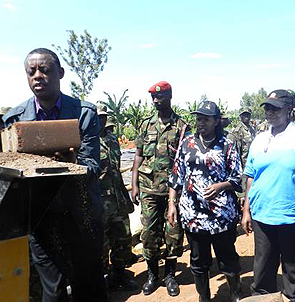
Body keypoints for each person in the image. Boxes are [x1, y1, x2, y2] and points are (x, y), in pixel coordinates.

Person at [2, 48, 107, 302]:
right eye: (31, 72)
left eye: (45, 70)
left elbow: (93, 167)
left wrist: (73, 165)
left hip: (82, 217)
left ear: (60, 73)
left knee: (89, 288)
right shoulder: (14, 121)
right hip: (42, 219)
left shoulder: (83, 114)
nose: (38, 76)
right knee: (53, 292)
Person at [241, 89, 295, 302]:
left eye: (275, 108)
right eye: (267, 108)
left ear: (289, 110)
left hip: (294, 216)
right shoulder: (260, 139)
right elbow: (251, 176)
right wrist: (246, 210)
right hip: (263, 216)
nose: (270, 112)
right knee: (262, 273)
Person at [168, 101, 243, 302]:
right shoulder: (187, 144)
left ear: (217, 121)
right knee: (198, 260)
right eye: (198, 118)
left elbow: (237, 177)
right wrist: (171, 204)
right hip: (193, 215)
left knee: (227, 258)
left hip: (221, 215)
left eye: (206, 119)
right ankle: (204, 296)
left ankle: (235, 293)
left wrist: (220, 186)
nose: (201, 123)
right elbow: (176, 175)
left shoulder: (226, 145)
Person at [131, 81, 190, 296]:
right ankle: (152, 275)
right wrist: (134, 184)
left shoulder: (182, 126)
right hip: (148, 189)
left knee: (173, 234)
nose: (156, 101)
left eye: (160, 97)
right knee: (148, 234)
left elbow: (186, 160)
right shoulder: (145, 125)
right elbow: (138, 155)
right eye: (153, 98)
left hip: (174, 191)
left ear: (170, 96)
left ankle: (170, 275)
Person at [97, 105, 138, 291]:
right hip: (99, 201)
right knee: (101, 244)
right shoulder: (86, 141)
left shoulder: (113, 139)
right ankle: (103, 280)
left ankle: (119, 275)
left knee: (123, 239)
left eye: (104, 117)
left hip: (118, 199)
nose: (101, 120)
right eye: (98, 117)